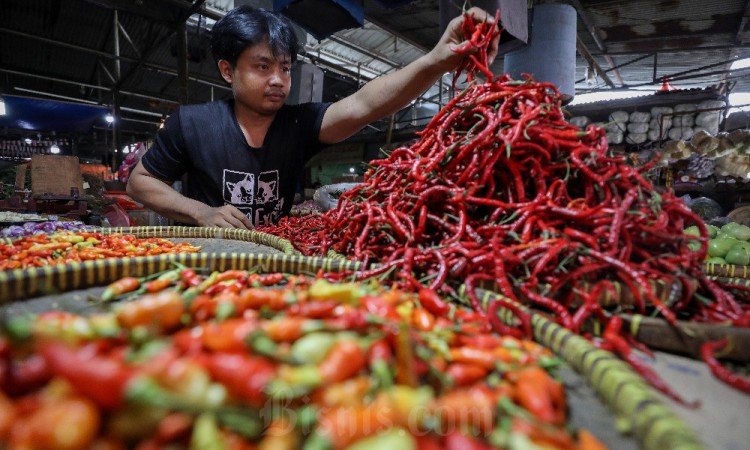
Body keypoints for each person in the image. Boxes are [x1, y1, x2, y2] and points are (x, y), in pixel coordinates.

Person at [126, 6, 499, 228]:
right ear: (227, 71)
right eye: (262, 66)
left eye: (285, 68)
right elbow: (139, 182)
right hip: (206, 258)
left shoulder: (299, 125)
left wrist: (435, 60)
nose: (277, 79)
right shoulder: (191, 123)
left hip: (275, 260)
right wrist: (201, 212)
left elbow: (365, 104)